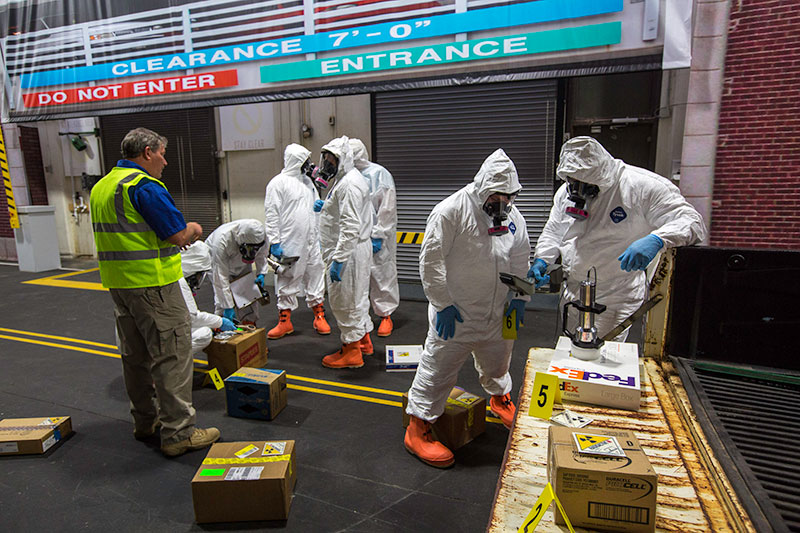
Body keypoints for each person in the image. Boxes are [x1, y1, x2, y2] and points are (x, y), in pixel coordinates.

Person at [90, 127, 220, 458]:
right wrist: (195, 228)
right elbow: (177, 236)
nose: (165, 161)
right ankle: (178, 433)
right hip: (154, 286)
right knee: (172, 357)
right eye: (162, 153)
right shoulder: (144, 186)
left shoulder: (102, 187)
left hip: (119, 286)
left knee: (135, 358)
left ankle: (145, 422)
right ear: (147, 152)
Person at [404, 149, 530, 468]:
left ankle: (500, 400)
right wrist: (442, 303)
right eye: (497, 197)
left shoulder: (514, 217)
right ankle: (417, 429)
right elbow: (431, 261)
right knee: (437, 370)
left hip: (499, 313)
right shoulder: (451, 211)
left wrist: (520, 299)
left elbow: (520, 260)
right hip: (456, 315)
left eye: (508, 197)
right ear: (484, 188)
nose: (502, 204)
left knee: (500, 362)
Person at [531, 136, 707, 341]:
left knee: (604, 359)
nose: (576, 189)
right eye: (571, 181)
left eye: (584, 183)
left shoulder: (642, 187)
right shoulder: (566, 193)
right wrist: (543, 259)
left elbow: (692, 222)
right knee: (573, 356)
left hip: (616, 294)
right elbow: (554, 230)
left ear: (601, 174)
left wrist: (657, 239)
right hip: (573, 290)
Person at [316, 136, 374, 369]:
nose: (327, 162)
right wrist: (328, 208)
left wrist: (339, 260)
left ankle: (351, 352)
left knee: (345, 300)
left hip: (347, 253)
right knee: (357, 299)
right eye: (326, 157)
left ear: (344, 159)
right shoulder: (347, 179)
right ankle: (363, 342)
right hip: (354, 251)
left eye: (332, 158)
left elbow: (350, 226)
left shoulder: (349, 183)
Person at [264, 144, 330, 340]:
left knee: (316, 272)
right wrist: (274, 241)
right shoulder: (278, 183)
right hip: (291, 241)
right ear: (296, 161)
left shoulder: (308, 183)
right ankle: (285, 321)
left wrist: (319, 233)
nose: (309, 165)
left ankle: (319, 315)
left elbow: (315, 211)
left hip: (312, 239)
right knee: (288, 278)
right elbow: (272, 213)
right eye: (305, 161)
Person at [349, 138, 400, 337]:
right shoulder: (346, 176)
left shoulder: (379, 174)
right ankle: (359, 316)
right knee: (356, 276)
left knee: (381, 273)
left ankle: (385, 315)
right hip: (354, 236)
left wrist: (378, 234)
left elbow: (387, 208)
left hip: (377, 235)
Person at [205, 219, 268, 326]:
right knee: (222, 296)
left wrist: (261, 273)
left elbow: (262, 254)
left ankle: (249, 323)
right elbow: (220, 278)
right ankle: (221, 324)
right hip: (217, 262)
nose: (253, 252)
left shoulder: (261, 237)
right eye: (249, 249)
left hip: (240, 263)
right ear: (241, 241)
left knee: (247, 292)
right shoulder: (221, 241)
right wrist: (228, 307)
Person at [179, 241, 237, 354]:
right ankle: (175, 364)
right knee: (204, 334)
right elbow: (192, 317)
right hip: (162, 338)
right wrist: (220, 322)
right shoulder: (180, 283)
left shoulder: (174, 277)